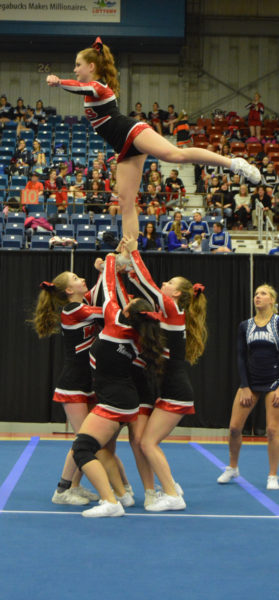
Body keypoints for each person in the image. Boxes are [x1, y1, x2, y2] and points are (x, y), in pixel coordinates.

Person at [46, 36, 260, 244]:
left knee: (176, 154)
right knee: (125, 201)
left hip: (132, 132)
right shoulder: (91, 90)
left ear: (91, 66)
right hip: (123, 146)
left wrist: (59, 82)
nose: (75, 69)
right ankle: (130, 250)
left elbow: (81, 87)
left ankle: (234, 163)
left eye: (77, 65)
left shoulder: (98, 87)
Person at [70, 252, 165, 517]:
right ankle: (123, 495)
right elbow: (120, 295)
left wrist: (110, 258)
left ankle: (110, 501)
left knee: (83, 449)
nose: (128, 299)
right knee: (102, 450)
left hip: (114, 400)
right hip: (123, 399)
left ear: (126, 311)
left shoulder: (115, 322)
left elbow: (110, 288)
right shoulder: (140, 334)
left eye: (131, 300)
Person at [123, 236, 207, 511]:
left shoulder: (173, 309)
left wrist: (134, 252)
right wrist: (128, 272)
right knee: (145, 442)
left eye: (169, 284)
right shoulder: (169, 313)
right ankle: (169, 485)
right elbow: (145, 291)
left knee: (147, 442)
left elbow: (148, 284)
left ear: (177, 294)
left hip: (176, 392)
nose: (165, 285)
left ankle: (172, 494)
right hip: (171, 390)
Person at [31, 271, 104, 504]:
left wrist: (103, 272)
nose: (82, 279)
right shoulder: (73, 310)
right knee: (84, 440)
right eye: (76, 279)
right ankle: (61, 491)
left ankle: (74, 486)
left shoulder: (82, 305)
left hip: (87, 383)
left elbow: (97, 294)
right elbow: (110, 311)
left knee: (88, 441)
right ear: (69, 291)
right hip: (73, 384)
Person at [217, 284, 279, 490]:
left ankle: (272, 475)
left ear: (272, 300)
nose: (258, 297)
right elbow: (241, 356)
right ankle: (233, 467)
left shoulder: (278, 323)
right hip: (251, 381)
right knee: (234, 428)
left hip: (274, 382)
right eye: (256, 294)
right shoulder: (246, 326)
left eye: (263, 294)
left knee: (272, 430)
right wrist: (244, 385)